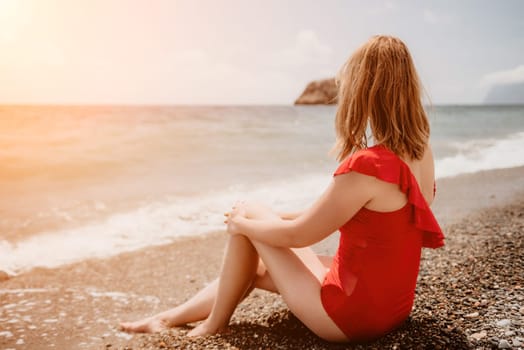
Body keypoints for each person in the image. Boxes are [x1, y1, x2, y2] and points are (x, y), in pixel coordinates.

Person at [120, 35, 444, 343]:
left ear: (363, 90)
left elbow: (299, 236)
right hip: (392, 307)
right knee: (254, 269)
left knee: (248, 210)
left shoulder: (367, 166)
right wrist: (270, 219)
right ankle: (168, 318)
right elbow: (332, 214)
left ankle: (214, 323)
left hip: (348, 318)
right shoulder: (420, 152)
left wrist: (242, 224)